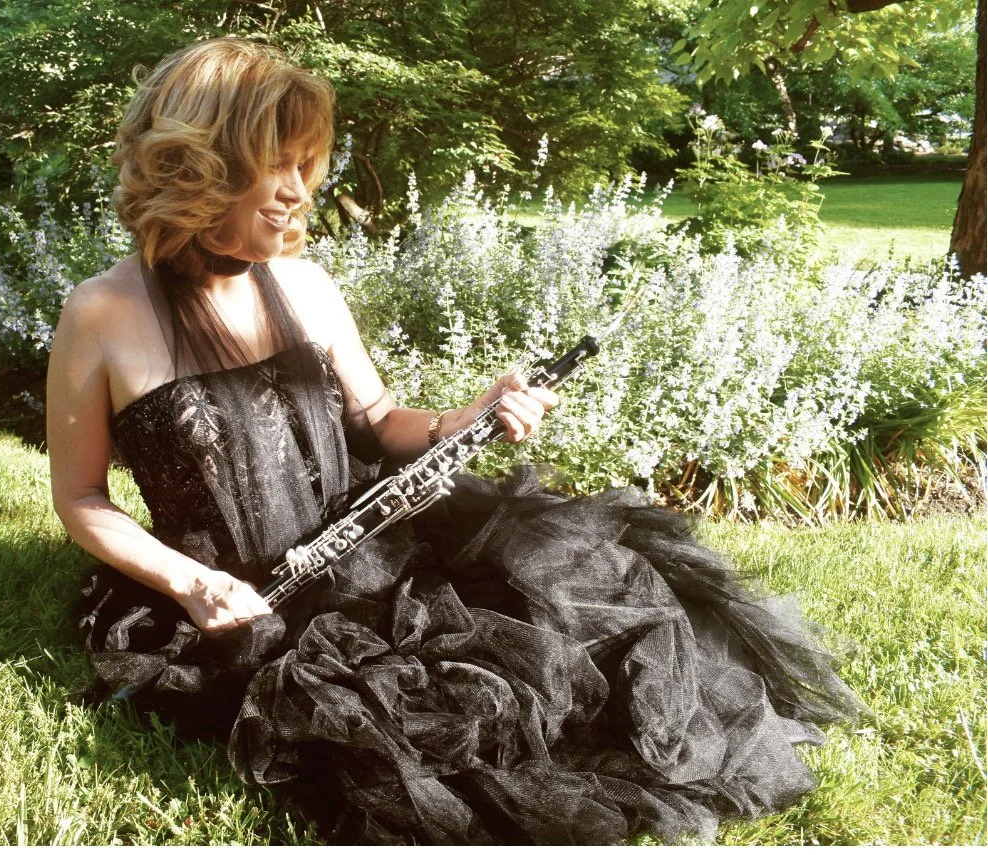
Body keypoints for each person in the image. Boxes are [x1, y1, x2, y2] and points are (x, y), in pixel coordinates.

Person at [48, 37, 863, 845]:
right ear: (202, 164)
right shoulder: (101, 314)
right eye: (278, 164)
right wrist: (192, 582)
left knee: (567, 627)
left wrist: (464, 419)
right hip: (233, 593)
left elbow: (377, 425)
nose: (301, 191)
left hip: (367, 551)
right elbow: (80, 498)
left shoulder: (305, 285)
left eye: (309, 164)